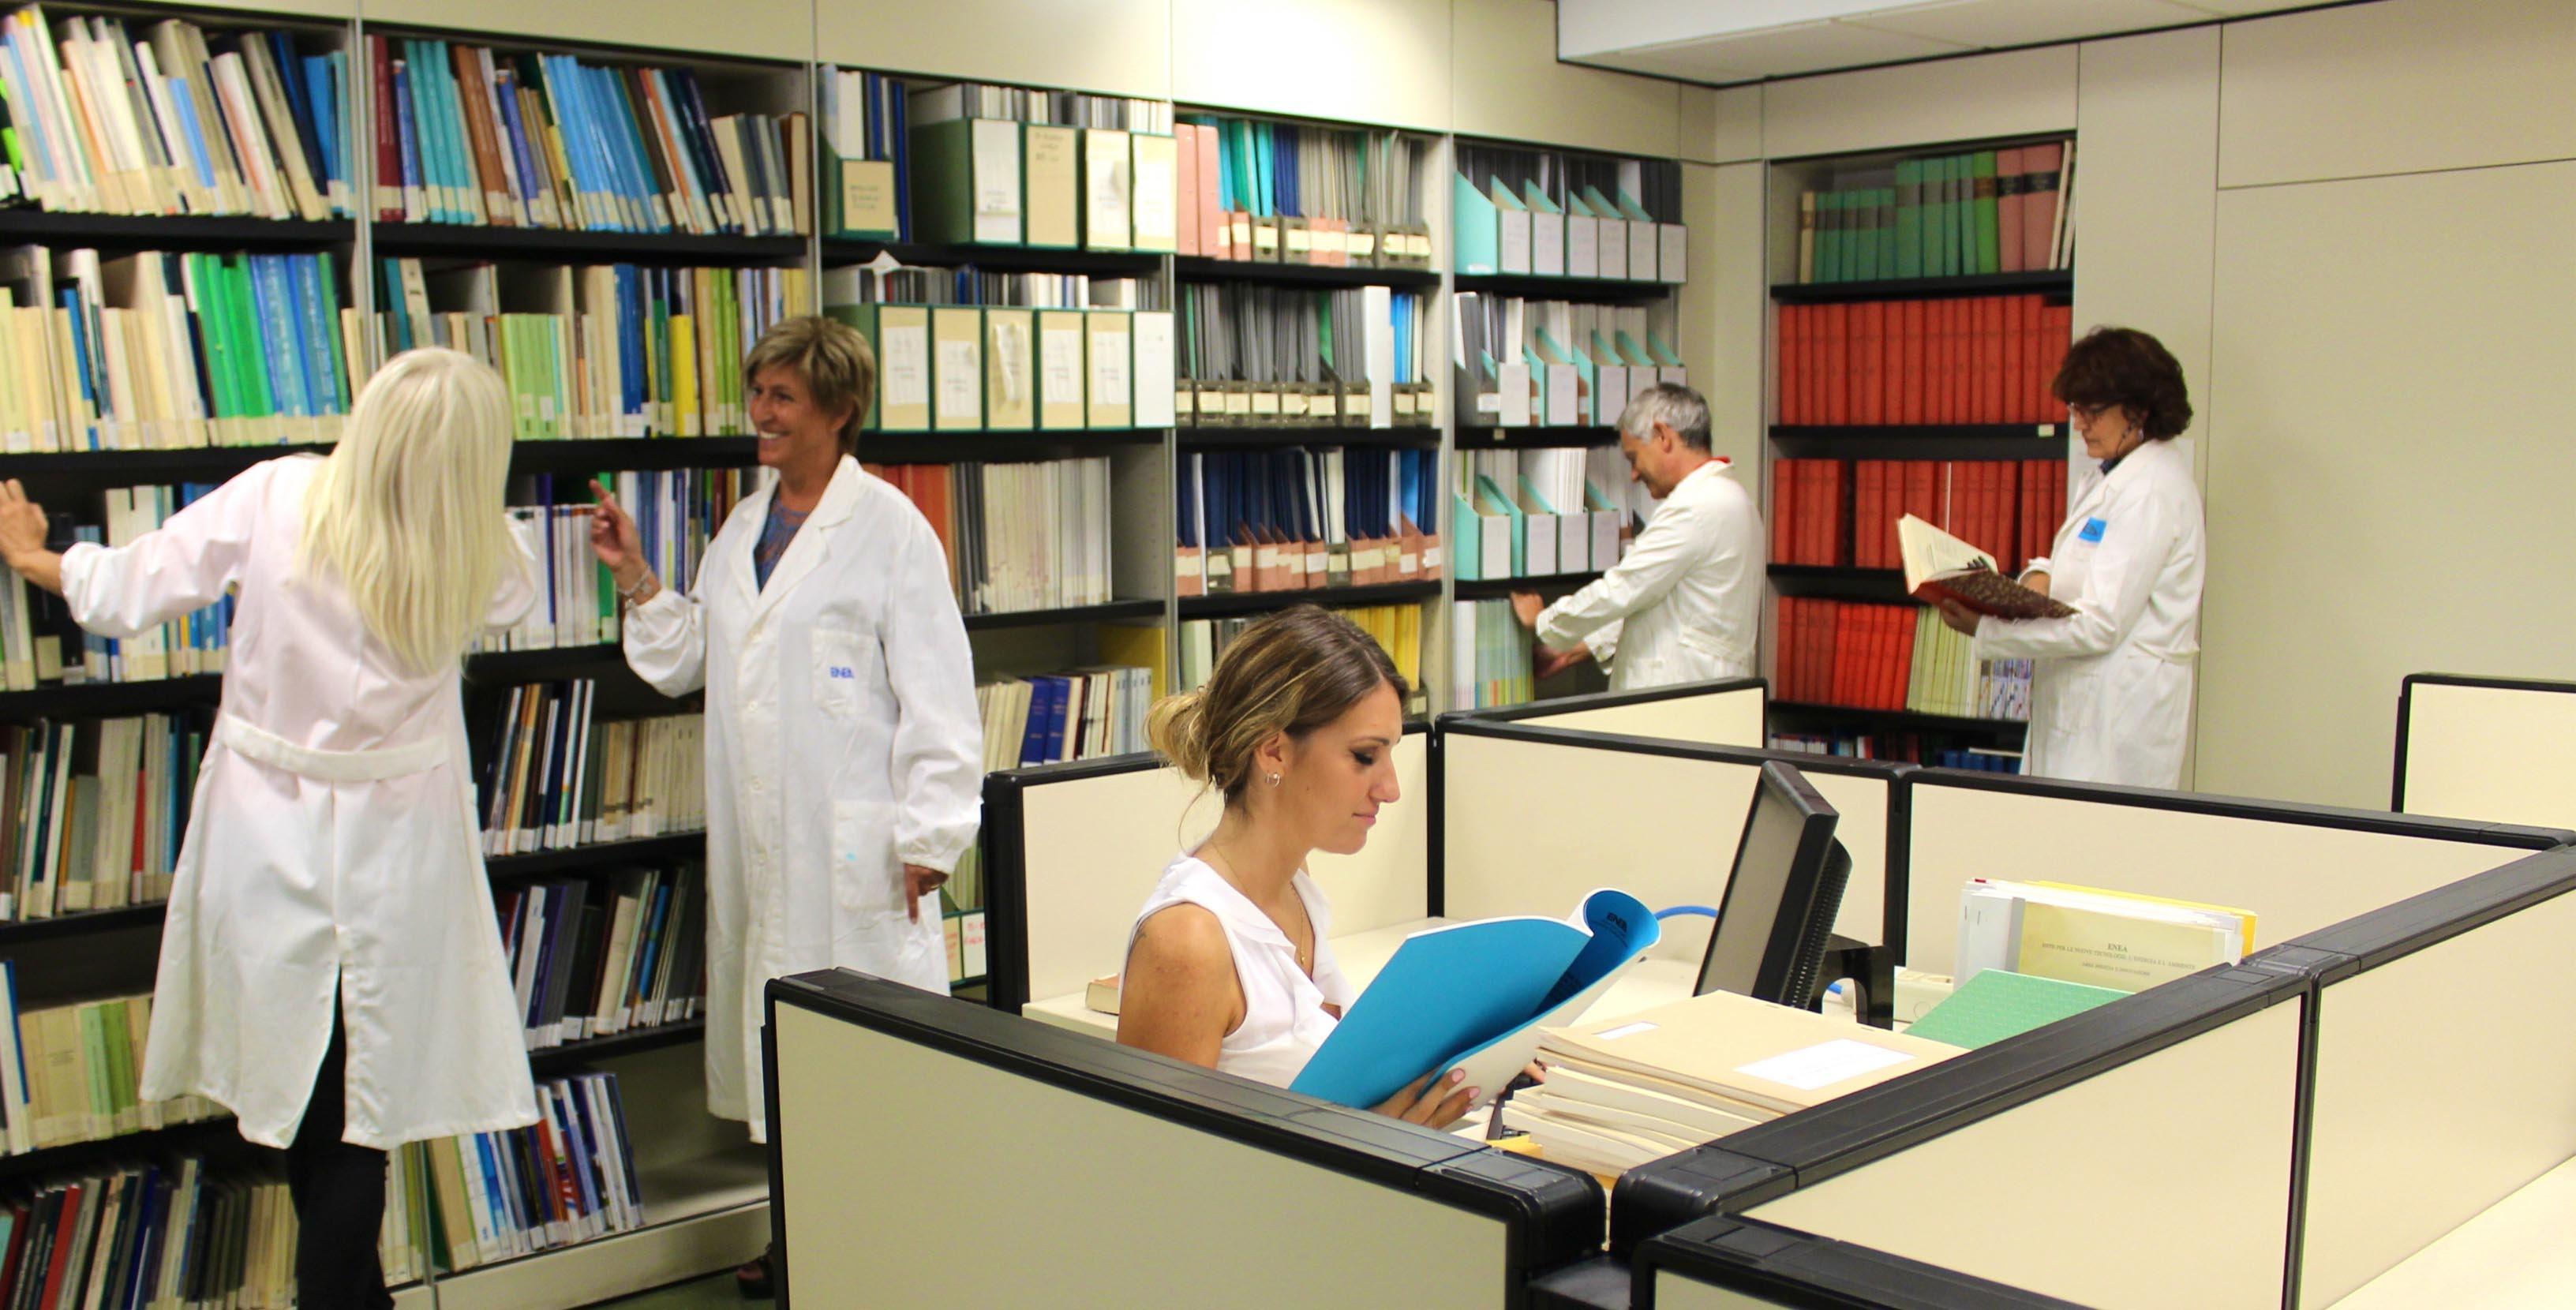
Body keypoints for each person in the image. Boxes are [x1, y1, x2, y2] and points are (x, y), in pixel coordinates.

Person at [0, 349, 541, 1310]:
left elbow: (131, 593)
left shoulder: (280, 494)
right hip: (398, 854)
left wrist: (34, 553)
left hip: (271, 835)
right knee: (353, 1095)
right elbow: (510, 596)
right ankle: (345, 1295)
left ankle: (336, 1298)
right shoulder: (484, 550)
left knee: (316, 1094)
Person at [586, 315, 982, 1291]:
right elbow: (694, 658)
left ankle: (887, 1248)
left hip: (859, 851)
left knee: (864, 1065)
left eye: (782, 397)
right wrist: (637, 576)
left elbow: (941, 696)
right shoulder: (743, 526)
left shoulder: (889, 530)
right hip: (766, 846)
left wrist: (931, 833)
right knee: (783, 1053)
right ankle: (799, 1237)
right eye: (758, 392)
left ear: (838, 412)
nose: (760, 413)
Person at [1117, 605, 1477, 1129]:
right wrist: (1380, 1142)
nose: (1391, 788)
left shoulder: (1293, 889)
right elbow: (1160, 1176)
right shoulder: (1189, 940)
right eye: (1364, 756)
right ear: (1274, 752)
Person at [1937, 326, 2205, 788]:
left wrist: (1988, 629)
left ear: (2138, 411)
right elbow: (2082, 556)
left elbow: (2100, 624)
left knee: (2092, 851)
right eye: (2076, 409)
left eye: (2093, 412)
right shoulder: (2113, 473)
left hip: (2115, 721)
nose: (2079, 424)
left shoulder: (2150, 491)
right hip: (2082, 707)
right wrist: (2039, 574)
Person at [1510, 384, 1764, 688]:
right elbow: (1660, 605)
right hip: (1710, 694)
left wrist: (1545, 621)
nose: (1633, 474)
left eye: (1633, 458)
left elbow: (1623, 588)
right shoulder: (1733, 499)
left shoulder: (1696, 508)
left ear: (1663, 436)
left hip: (1680, 700)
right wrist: (1576, 649)